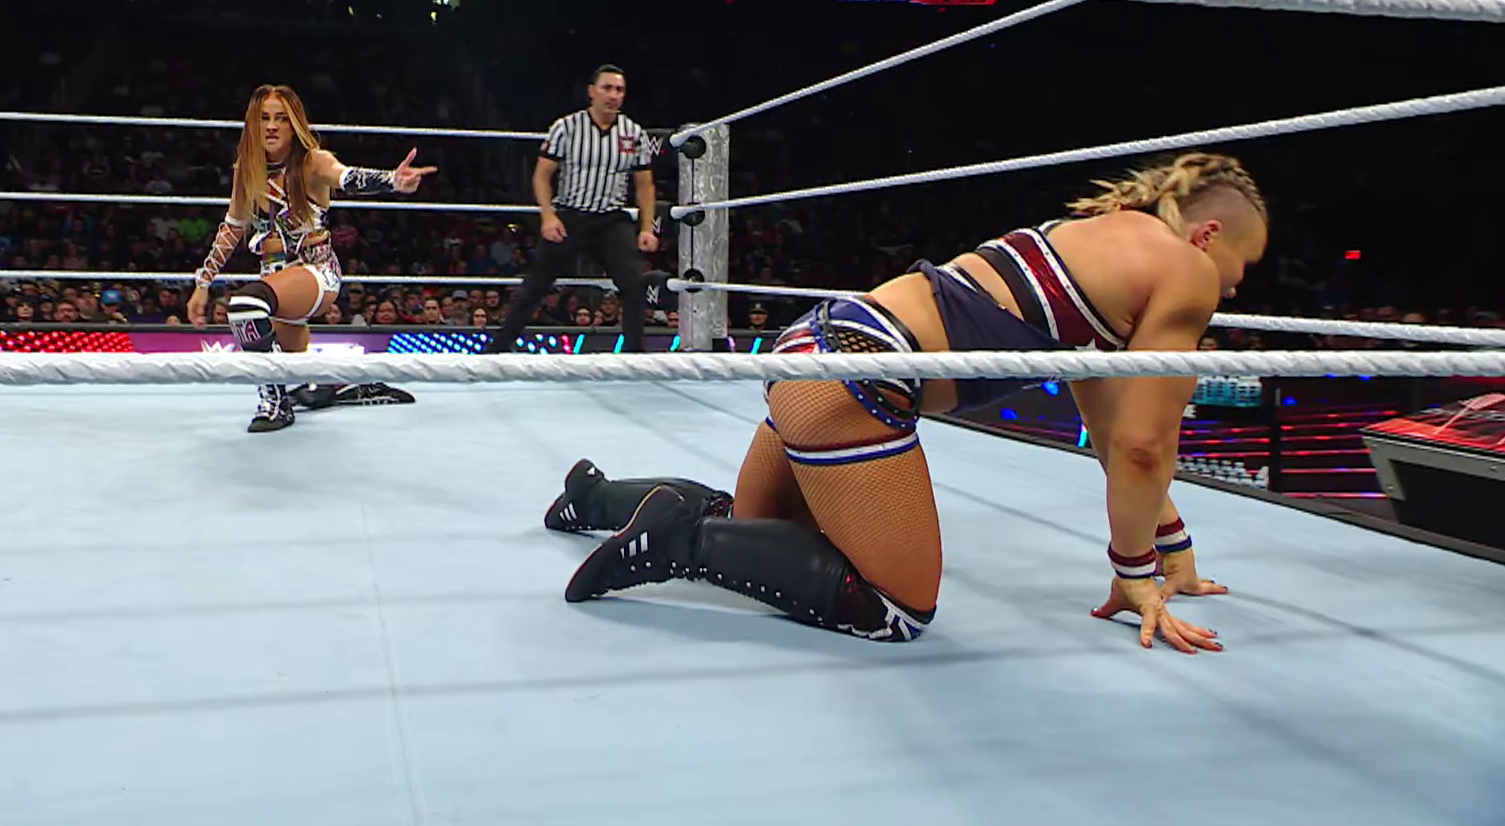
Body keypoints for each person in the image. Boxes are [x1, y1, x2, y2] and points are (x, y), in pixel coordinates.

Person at [550, 152, 1265, 654]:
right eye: (1244, 263)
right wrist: (1134, 575)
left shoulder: (1095, 240)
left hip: (820, 345)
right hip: (857, 381)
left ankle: (596, 499)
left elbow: (1113, 435)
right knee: (896, 607)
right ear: (1208, 235)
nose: (1233, 287)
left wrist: (1172, 550)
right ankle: (677, 541)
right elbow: (1144, 446)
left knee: (760, 531)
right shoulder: (1188, 271)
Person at [188, 84, 434, 432]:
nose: (271, 126)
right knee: (297, 376)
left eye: (281, 119)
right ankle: (339, 387)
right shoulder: (248, 169)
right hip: (277, 282)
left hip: (316, 273)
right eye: (264, 118)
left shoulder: (312, 162)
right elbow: (232, 226)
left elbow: (347, 176)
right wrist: (203, 282)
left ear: (295, 125)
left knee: (244, 306)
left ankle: (275, 404)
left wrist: (393, 180)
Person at [484, 64, 659, 354]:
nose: (613, 95)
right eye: (607, 88)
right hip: (570, 216)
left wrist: (646, 228)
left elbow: (644, 185)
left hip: (611, 220)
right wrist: (548, 216)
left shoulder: (634, 133)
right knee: (535, 286)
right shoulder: (566, 127)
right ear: (592, 92)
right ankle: (497, 349)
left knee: (634, 283)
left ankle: (634, 353)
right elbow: (542, 175)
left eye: (619, 90)